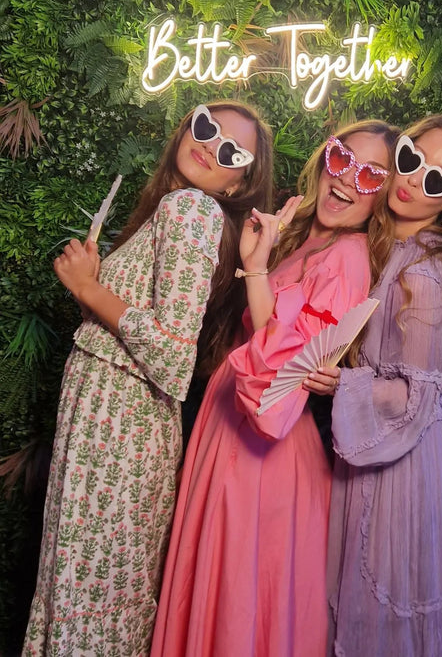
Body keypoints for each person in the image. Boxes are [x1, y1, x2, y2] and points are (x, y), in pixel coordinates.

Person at [23, 100, 274, 657]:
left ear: (237, 186)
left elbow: (172, 356)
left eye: (231, 152)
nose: (210, 146)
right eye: (206, 127)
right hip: (110, 429)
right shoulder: (172, 209)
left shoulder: (194, 211)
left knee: (87, 605)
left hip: (120, 435)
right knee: (85, 600)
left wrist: (89, 289)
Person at [150, 119, 400, 657]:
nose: (347, 180)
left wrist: (256, 268)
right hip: (228, 428)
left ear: (383, 197)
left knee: (242, 597)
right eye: (340, 160)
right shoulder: (303, 235)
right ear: (323, 159)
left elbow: (281, 372)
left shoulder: (350, 258)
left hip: (265, 454)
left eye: (370, 176)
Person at [321, 114, 442, 656]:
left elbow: (416, 400)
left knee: (384, 598)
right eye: (410, 157)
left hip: (400, 462)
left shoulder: (423, 275)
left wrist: (340, 384)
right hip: (376, 445)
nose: (413, 179)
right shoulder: (385, 248)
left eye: (438, 180)